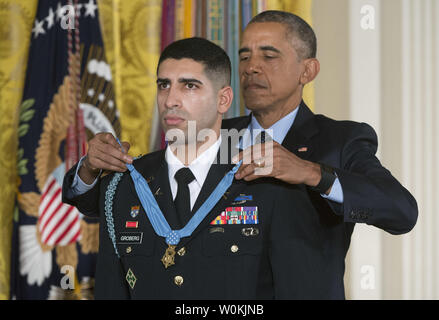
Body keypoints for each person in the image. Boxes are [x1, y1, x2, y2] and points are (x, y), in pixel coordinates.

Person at [63, 37, 331, 299]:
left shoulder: (266, 181)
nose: (170, 100)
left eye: (189, 86)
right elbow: (112, 289)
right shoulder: (121, 186)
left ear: (223, 100)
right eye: (164, 85)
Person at [222, 9, 417, 289]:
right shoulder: (213, 137)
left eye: (268, 56)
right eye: (244, 57)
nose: (251, 67)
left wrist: (313, 174)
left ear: (307, 70)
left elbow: (402, 211)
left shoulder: (340, 139)